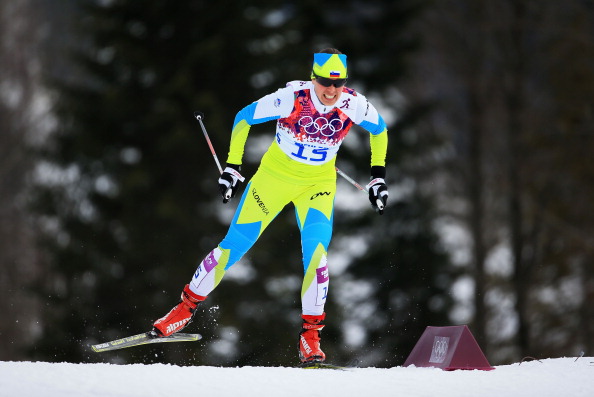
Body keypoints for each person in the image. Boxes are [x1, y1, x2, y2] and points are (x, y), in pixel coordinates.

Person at [152, 48, 389, 364]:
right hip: (273, 179)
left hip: (317, 186)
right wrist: (233, 167)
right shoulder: (292, 97)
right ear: (313, 78)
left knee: (317, 256)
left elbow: (380, 129)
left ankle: (310, 338)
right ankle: (183, 310)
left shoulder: (353, 103)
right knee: (234, 245)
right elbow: (244, 118)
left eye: (338, 83)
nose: (332, 90)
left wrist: (377, 178)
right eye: (325, 82)